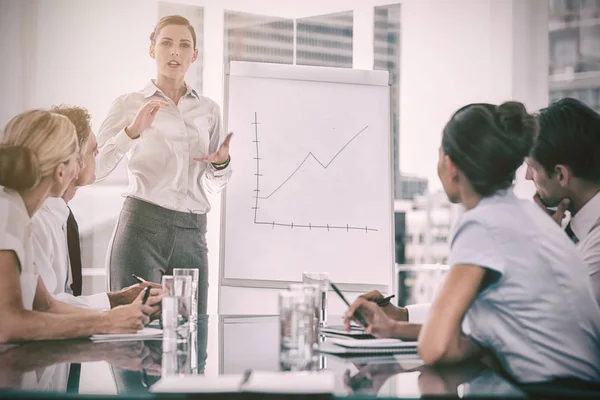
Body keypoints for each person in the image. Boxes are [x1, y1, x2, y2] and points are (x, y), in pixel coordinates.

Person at [344, 101, 600, 385]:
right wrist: (394, 327)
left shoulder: (482, 222)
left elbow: (437, 347)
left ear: (450, 165)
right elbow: (476, 340)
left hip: (553, 391)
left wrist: (420, 332)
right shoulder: (521, 213)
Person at [96, 15, 232, 315]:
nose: (175, 52)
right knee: (133, 332)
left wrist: (221, 165)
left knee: (192, 332)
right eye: (166, 43)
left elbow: (213, 184)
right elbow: (95, 168)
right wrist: (131, 132)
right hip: (142, 228)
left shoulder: (209, 109)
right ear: (152, 49)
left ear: (194, 55)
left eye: (184, 45)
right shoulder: (128, 103)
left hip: (192, 232)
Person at [0, 109, 160, 343]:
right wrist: (107, 322)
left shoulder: (18, 213)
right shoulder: (7, 213)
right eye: (76, 157)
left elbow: (47, 305)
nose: (81, 165)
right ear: (61, 171)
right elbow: (8, 325)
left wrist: (121, 314)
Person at [32, 105, 160, 310]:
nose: (98, 154)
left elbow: (59, 299)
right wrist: (115, 310)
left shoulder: (61, 216)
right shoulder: (37, 221)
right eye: (93, 150)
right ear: (74, 158)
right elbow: (47, 307)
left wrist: (118, 299)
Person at [525, 97, 600, 306]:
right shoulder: (571, 228)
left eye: (532, 167)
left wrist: (543, 243)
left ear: (560, 175)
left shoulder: (596, 252)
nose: (528, 177)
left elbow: (544, 315)